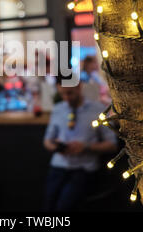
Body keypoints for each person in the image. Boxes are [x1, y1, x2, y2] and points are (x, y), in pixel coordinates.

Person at [43, 76, 118, 212]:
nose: (66, 98)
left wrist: (86, 147)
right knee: (48, 207)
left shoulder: (98, 110)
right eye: (62, 94)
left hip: (84, 169)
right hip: (58, 166)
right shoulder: (58, 109)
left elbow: (112, 144)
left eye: (69, 93)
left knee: (63, 208)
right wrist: (56, 147)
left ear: (79, 87)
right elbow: (48, 140)